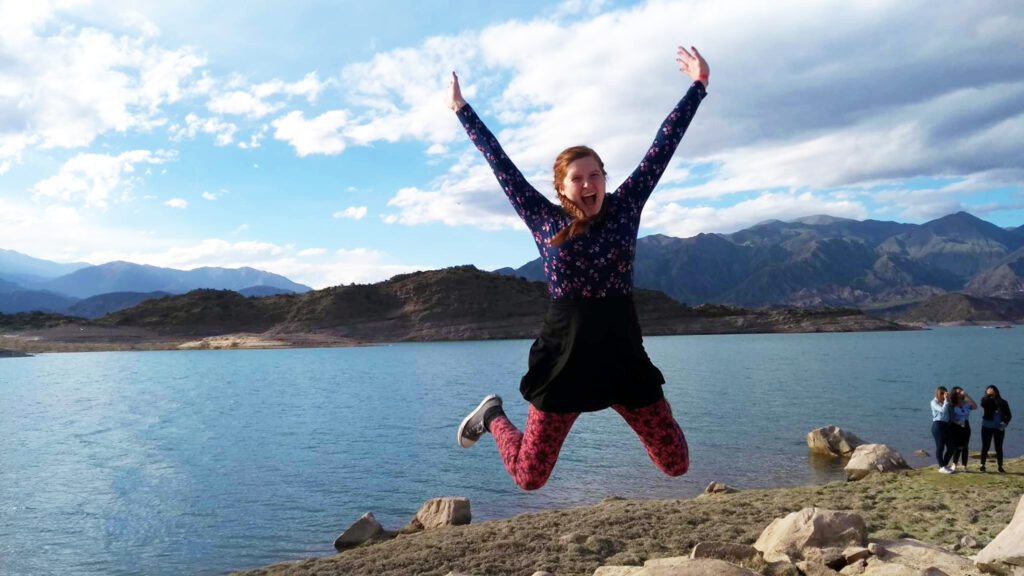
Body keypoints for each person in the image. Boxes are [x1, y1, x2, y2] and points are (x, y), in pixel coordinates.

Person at [449, 45, 709, 490]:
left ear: (606, 178)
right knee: (530, 477)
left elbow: (663, 145)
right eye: (578, 178)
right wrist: (462, 110)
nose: (589, 184)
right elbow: (500, 164)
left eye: (596, 175)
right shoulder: (544, 219)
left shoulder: (626, 207)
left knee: (676, 463)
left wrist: (698, 87)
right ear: (562, 187)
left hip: (622, 355)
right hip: (564, 359)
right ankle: (492, 416)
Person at [980, 385, 1012, 473]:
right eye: (988, 390)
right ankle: (982, 465)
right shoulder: (985, 400)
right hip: (987, 426)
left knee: (999, 447)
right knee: (985, 446)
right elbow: (983, 404)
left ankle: (1000, 466)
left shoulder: (1003, 402)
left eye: (992, 390)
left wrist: (1005, 424)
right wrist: (988, 395)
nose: (991, 392)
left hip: (999, 427)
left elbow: (1009, 415)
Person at [948, 387, 976, 472]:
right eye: (957, 392)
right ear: (954, 394)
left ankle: (964, 465)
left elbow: (975, 406)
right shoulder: (952, 404)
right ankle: (954, 464)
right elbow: (950, 417)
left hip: (965, 425)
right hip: (955, 425)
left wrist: (967, 395)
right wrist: (958, 422)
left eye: (960, 392)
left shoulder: (966, 403)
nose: (959, 394)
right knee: (956, 446)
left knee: (965, 446)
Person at [931, 386, 954, 474]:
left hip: (947, 425)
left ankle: (944, 465)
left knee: (951, 447)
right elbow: (942, 411)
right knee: (940, 447)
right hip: (938, 425)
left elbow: (950, 413)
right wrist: (946, 401)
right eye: (942, 393)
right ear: (938, 394)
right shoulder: (934, 402)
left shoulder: (947, 401)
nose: (944, 395)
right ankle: (942, 466)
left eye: (945, 393)